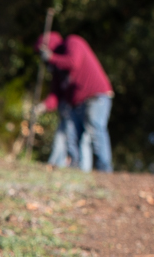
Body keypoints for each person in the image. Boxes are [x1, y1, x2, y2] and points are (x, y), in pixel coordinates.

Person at [37, 31, 113, 172]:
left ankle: (105, 171)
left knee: (95, 130)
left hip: (96, 97)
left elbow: (73, 62)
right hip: (77, 103)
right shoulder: (56, 68)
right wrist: (42, 106)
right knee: (72, 136)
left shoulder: (73, 42)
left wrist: (52, 57)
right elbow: (56, 94)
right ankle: (75, 170)